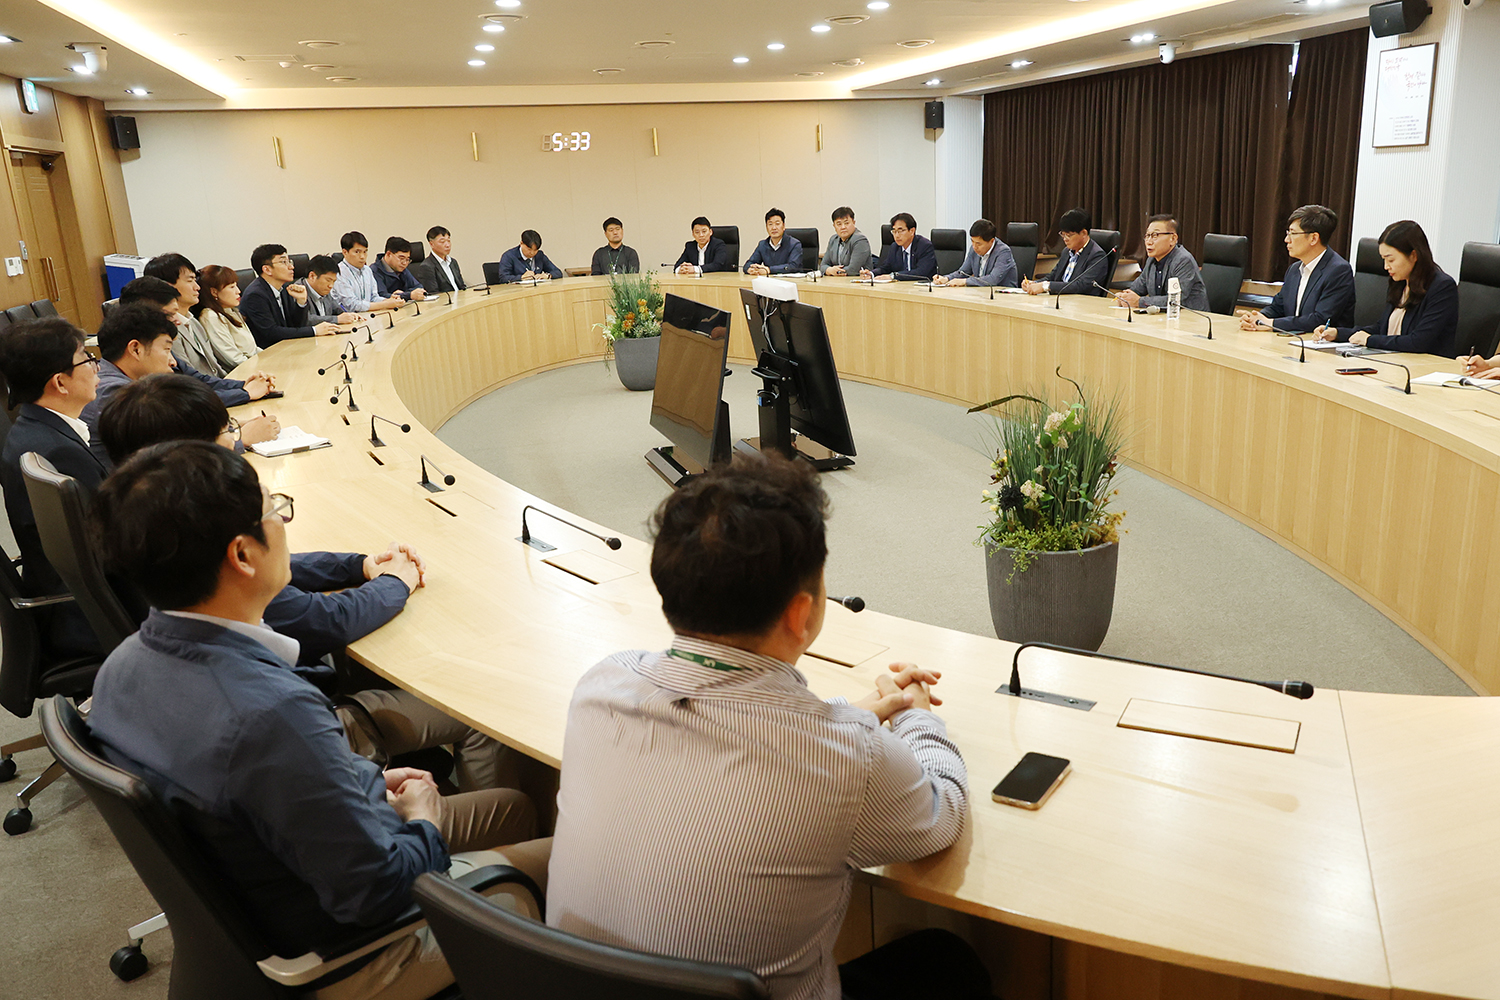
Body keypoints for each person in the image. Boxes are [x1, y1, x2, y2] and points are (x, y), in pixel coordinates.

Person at [86, 441, 547, 1000]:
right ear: (243, 555)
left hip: (264, 901)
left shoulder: (120, 668)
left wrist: (361, 783)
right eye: (275, 509)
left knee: (515, 808)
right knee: (563, 867)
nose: (283, 520)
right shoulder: (270, 714)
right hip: (352, 955)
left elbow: (249, 790)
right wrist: (423, 819)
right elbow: (379, 896)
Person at [548, 452, 981, 1000]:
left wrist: (858, 714)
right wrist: (917, 714)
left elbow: (734, 725)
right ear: (802, 614)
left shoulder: (601, 686)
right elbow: (943, 813)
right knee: (947, 963)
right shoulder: (845, 759)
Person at [96, 372, 518, 792]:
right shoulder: (276, 705)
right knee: (485, 715)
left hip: (241, 754)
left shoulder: (152, 527)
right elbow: (320, 620)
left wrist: (359, 565)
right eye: (275, 511)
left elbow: (289, 570)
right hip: (302, 747)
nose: (235, 438)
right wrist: (394, 581)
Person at [0, 317, 106, 654]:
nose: (96, 366)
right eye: (87, 359)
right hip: (92, 613)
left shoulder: (33, 428)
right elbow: (113, 543)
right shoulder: (57, 451)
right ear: (60, 382)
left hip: (73, 600)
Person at [81, 304, 279, 464]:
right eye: (167, 349)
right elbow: (170, 455)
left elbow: (175, 432)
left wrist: (227, 427)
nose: (173, 362)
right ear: (136, 349)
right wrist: (239, 438)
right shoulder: (117, 393)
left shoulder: (119, 381)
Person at [118, 277, 275, 409]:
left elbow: (198, 380)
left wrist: (244, 385)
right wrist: (246, 393)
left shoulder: (159, 347)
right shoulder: (117, 389)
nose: (177, 321)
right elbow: (182, 401)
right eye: (170, 315)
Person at [1319, 219, 1458, 357]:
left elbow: (1418, 342)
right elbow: (1382, 328)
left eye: (1391, 260)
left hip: (1424, 367)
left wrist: (1369, 340)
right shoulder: (1399, 282)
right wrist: (1338, 333)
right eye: (1383, 259)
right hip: (1393, 360)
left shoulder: (1442, 287)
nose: (1386, 267)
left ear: (1414, 255)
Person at [1240, 205, 1356, 333]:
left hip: (1322, 346)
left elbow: (1320, 319)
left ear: (1313, 238)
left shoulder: (1338, 271)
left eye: (1293, 233)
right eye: (1287, 233)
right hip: (1292, 340)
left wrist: (1271, 323)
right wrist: (1256, 318)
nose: (1286, 240)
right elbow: (1278, 307)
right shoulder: (1294, 269)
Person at [241, 243, 340, 347]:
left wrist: (301, 302)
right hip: (269, 353)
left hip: (289, 346)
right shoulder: (255, 295)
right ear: (267, 269)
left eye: (290, 261)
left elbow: (295, 325)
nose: (291, 267)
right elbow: (271, 333)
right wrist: (314, 330)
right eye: (284, 262)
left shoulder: (284, 288)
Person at [144, 253, 226, 377]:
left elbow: (215, 367)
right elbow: (189, 378)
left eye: (195, 280)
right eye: (189, 280)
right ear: (166, 286)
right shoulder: (167, 330)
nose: (197, 287)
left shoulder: (192, 321)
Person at [1116, 214, 1209, 312]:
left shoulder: (1183, 260)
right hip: (1163, 318)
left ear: (1173, 239)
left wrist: (1139, 301)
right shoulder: (1152, 260)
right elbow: (1137, 289)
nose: (1149, 241)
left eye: (1155, 235)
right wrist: (1125, 296)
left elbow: (1176, 300)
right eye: (1147, 236)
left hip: (1192, 319)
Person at [1022, 208, 1109, 297]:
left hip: (1081, 304)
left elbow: (1081, 285)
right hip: (1062, 300)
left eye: (1069, 235)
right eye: (1063, 234)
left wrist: (1046, 286)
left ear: (1084, 233)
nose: (1065, 239)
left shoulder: (1097, 256)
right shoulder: (1067, 251)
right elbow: (1053, 276)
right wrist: (1034, 283)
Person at [195, 264, 261, 369]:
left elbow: (252, 349)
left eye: (236, 285)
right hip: (244, 372)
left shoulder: (231, 311)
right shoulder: (211, 316)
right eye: (231, 287)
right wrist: (262, 365)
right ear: (214, 292)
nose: (238, 291)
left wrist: (268, 358)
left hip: (253, 365)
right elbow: (233, 358)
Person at [332, 232, 406, 315]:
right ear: (345, 252)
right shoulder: (339, 273)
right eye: (357, 252)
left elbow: (373, 297)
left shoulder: (367, 270)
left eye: (365, 252)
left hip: (368, 316)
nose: (362, 256)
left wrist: (389, 300)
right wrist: (385, 304)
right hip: (350, 319)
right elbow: (352, 305)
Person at [933, 219, 1019, 288]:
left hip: (1002, 296)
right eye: (972, 242)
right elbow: (963, 272)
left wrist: (965, 281)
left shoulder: (1003, 252)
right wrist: (946, 278)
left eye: (978, 243)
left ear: (991, 241)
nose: (974, 246)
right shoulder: (973, 249)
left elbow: (993, 279)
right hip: (981, 293)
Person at [861, 213, 937, 281]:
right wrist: (871, 273)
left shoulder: (924, 246)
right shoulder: (895, 247)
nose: (897, 235)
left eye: (900, 231)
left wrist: (893, 276)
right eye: (894, 231)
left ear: (912, 231)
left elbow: (921, 272)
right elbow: (886, 267)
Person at [295, 255, 364, 328]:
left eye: (334, 281)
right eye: (328, 280)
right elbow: (306, 319)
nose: (331, 285)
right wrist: (337, 319)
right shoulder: (298, 291)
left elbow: (337, 309)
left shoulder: (324, 291)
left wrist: (350, 315)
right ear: (312, 276)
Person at [744, 208, 803, 275]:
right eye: (770, 224)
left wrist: (769, 270)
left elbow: (793, 267)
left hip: (790, 283)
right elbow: (749, 263)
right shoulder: (762, 244)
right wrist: (750, 269)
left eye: (777, 224)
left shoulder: (794, 244)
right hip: (769, 282)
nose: (774, 228)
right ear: (766, 227)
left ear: (783, 226)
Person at [371, 237, 428, 301]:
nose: (404, 263)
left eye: (407, 259)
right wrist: (409, 295)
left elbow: (418, 287)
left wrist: (403, 294)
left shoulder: (401, 268)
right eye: (401, 258)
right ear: (388, 254)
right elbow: (381, 295)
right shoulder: (374, 271)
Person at [821, 206, 872, 276]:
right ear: (834, 226)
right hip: (837, 281)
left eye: (846, 223)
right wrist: (829, 270)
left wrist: (835, 271)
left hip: (857, 281)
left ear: (854, 222)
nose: (843, 227)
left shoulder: (860, 240)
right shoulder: (833, 240)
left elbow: (854, 269)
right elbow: (823, 265)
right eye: (839, 224)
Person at [415, 226, 467, 293]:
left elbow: (462, 286)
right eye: (442, 242)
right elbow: (433, 293)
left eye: (448, 241)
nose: (447, 245)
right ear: (431, 244)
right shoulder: (427, 266)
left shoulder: (453, 262)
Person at [498, 230, 563, 283]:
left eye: (535, 250)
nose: (532, 253)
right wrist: (521, 277)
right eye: (529, 249)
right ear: (521, 244)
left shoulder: (540, 255)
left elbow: (558, 272)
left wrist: (547, 275)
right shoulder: (509, 256)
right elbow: (503, 278)